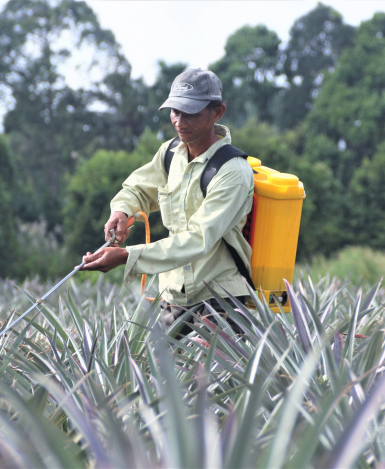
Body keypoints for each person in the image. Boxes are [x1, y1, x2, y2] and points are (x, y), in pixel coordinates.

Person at [80, 68, 254, 336]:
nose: (180, 121)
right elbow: (138, 188)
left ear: (217, 112)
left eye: (191, 113)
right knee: (161, 376)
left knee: (212, 377)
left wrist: (127, 256)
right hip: (174, 297)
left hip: (220, 300)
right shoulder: (171, 153)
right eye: (175, 111)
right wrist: (122, 210)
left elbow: (198, 238)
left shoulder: (233, 171)